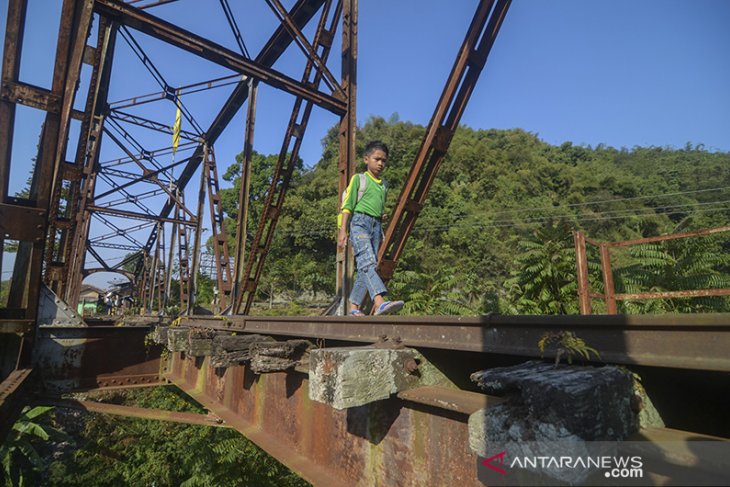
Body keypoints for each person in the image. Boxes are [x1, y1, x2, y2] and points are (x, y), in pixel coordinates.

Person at [337, 140, 404, 316]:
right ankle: (380, 301)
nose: (381, 163)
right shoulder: (359, 179)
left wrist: (379, 216)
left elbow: (374, 205)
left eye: (384, 160)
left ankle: (354, 308)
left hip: (375, 226)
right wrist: (343, 231)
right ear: (366, 159)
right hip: (359, 224)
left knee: (366, 268)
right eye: (377, 159)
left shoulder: (384, 185)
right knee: (368, 262)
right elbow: (348, 206)